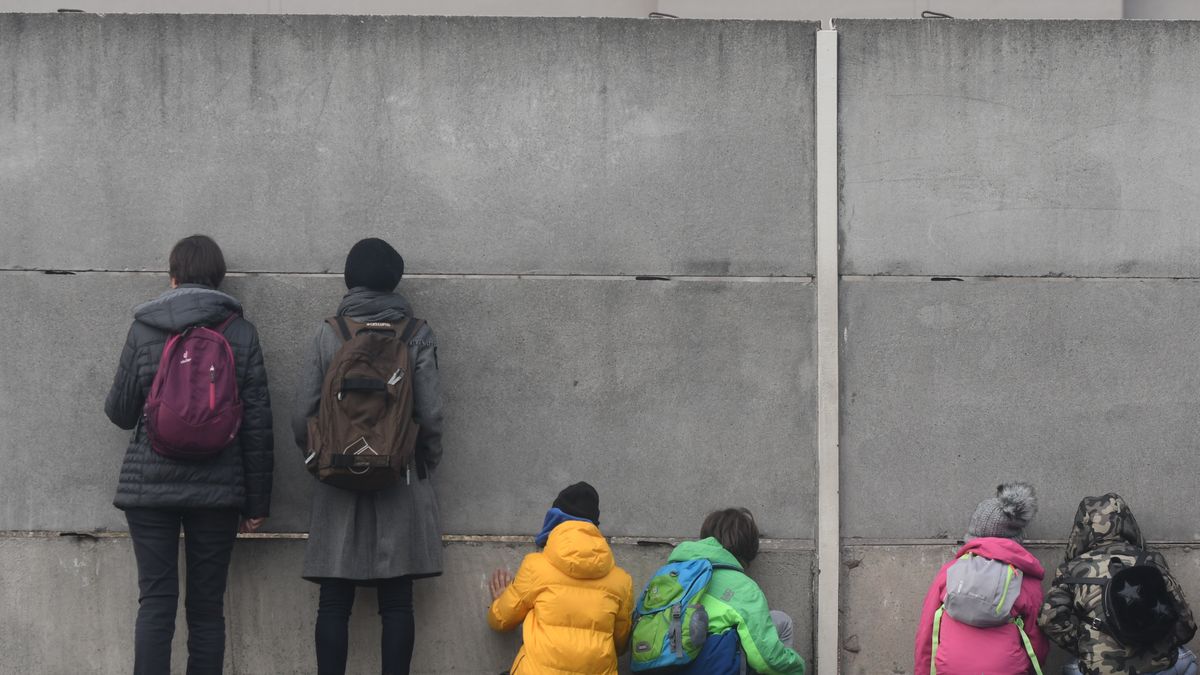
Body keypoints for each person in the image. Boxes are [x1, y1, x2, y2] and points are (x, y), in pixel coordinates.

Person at [105, 234, 274, 674]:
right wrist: (257, 503)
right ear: (219, 279)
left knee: (156, 603)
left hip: (149, 488)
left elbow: (121, 413)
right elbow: (257, 425)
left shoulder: (144, 327)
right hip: (218, 491)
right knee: (205, 610)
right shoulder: (240, 332)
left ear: (173, 276)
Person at [292, 237, 445, 675]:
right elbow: (430, 413)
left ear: (349, 278)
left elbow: (301, 412)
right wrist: (423, 462)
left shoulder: (330, 332)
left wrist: (319, 457)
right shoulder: (416, 334)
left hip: (336, 474)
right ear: (395, 280)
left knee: (333, 599)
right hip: (401, 476)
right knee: (397, 600)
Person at [1039, 494, 1197, 675]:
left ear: (1082, 528)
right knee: (1188, 662)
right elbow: (1186, 621)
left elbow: (1049, 619)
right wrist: (1165, 643)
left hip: (1099, 669)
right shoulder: (1151, 559)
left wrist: (1083, 645)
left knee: (1070, 669)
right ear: (1127, 522)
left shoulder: (1070, 569)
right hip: (1159, 666)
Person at [487, 482, 634, 675]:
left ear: (555, 520)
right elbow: (621, 645)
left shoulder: (535, 567)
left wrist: (500, 600)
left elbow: (501, 621)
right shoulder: (622, 581)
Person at [913, 483, 1048, 675]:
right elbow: (1036, 639)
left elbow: (927, 629)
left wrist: (922, 671)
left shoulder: (950, 571)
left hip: (951, 667)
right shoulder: (1025, 579)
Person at [663, 507, 806, 675]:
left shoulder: (667, 575)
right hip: (712, 667)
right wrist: (798, 668)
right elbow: (766, 658)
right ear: (748, 548)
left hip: (664, 665)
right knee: (781, 621)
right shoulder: (742, 587)